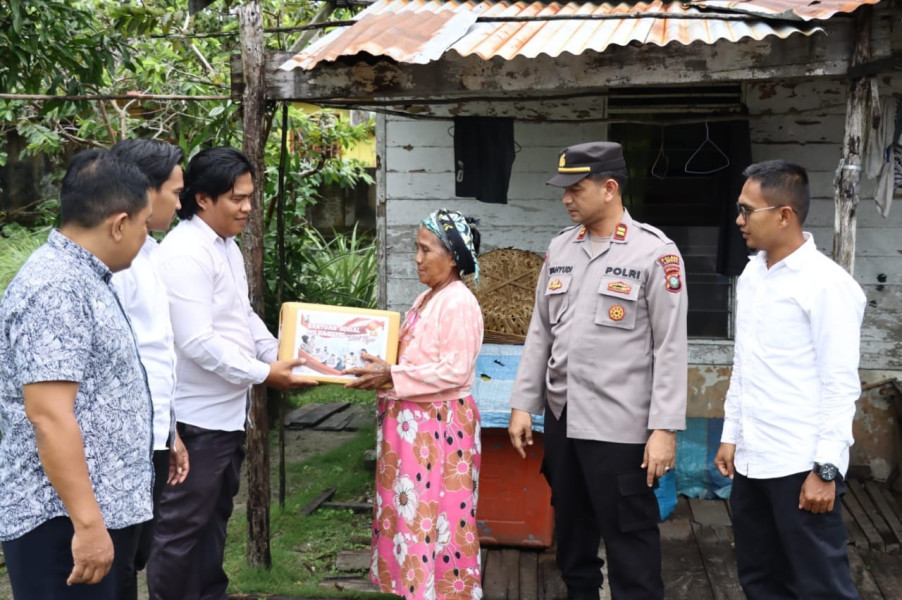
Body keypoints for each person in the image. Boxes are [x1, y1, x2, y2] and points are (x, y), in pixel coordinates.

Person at [507, 141, 688, 600]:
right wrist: (523, 405)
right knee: (572, 537)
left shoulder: (655, 255)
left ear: (610, 189)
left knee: (631, 545)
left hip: (621, 429)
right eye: (563, 189)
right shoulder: (560, 248)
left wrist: (664, 428)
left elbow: (670, 349)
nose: (566, 198)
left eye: (576, 188)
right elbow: (540, 332)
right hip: (565, 420)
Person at [146, 147, 317, 600]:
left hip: (224, 416)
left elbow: (241, 318)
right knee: (181, 531)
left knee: (212, 524)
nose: (246, 208)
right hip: (194, 419)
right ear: (202, 199)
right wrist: (265, 372)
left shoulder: (226, 246)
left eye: (249, 197)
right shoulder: (184, 253)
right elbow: (197, 341)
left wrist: (284, 352)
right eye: (237, 199)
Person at [0, 150, 154, 599]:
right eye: (145, 224)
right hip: (61, 522)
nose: (146, 236)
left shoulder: (84, 278)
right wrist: (87, 524)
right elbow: (48, 416)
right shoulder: (56, 288)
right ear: (119, 223)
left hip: (91, 515)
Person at [713, 160, 865, 600]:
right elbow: (745, 363)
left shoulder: (826, 285)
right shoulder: (752, 275)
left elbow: (840, 385)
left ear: (785, 215)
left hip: (801, 464)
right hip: (752, 459)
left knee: (820, 586)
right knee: (759, 579)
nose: (738, 221)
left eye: (747, 211)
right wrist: (730, 433)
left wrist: (827, 469)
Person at [345, 209, 484, 600]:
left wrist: (392, 376)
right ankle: (414, 591)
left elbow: (455, 372)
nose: (417, 258)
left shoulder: (458, 302)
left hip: (438, 432)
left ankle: (438, 592)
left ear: (453, 256)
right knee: (411, 520)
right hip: (414, 429)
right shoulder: (429, 297)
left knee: (435, 520)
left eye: (426, 250)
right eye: (416, 249)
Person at [109, 138, 191, 599]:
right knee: (120, 559)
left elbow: (157, 354)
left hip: (154, 430)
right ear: (144, 190)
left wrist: (169, 431)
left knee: (137, 551)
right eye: (174, 192)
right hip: (123, 439)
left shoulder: (151, 255)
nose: (179, 204)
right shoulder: (116, 266)